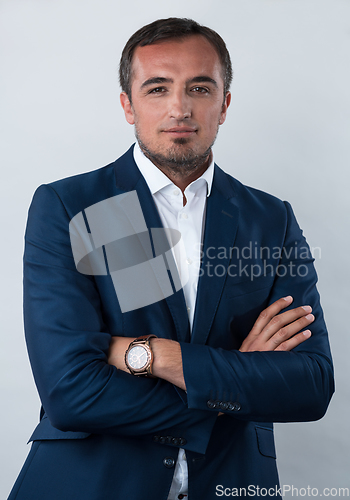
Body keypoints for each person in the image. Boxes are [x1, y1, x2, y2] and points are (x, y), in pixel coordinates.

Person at [8, 17, 334, 500]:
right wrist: (236, 380)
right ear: (128, 105)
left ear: (223, 105)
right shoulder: (74, 206)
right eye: (157, 88)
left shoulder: (270, 220)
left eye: (199, 88)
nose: (179, 107)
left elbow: (310, 383)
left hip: (233, 483)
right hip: (92, 483)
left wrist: (154, 356)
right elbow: (71, 392)